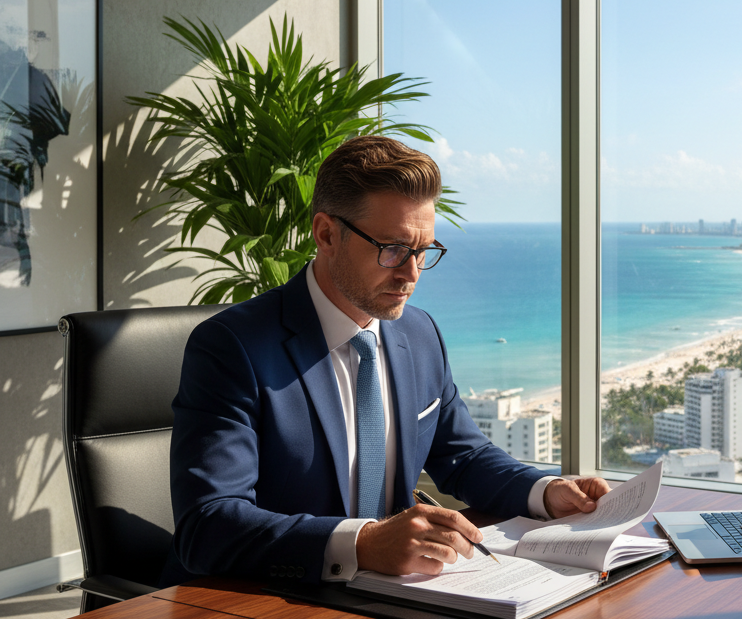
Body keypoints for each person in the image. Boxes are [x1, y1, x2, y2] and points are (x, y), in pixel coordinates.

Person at [162, 135, 609, 587]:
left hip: (397, 600)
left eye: (423, 251)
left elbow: (465, 455)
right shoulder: (231, 347)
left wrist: (545, 492)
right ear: (326, 233)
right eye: (392, 249)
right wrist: (363, 545)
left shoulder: (419, 333)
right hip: (272, 608)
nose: (411, 273)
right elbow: (208, 525)